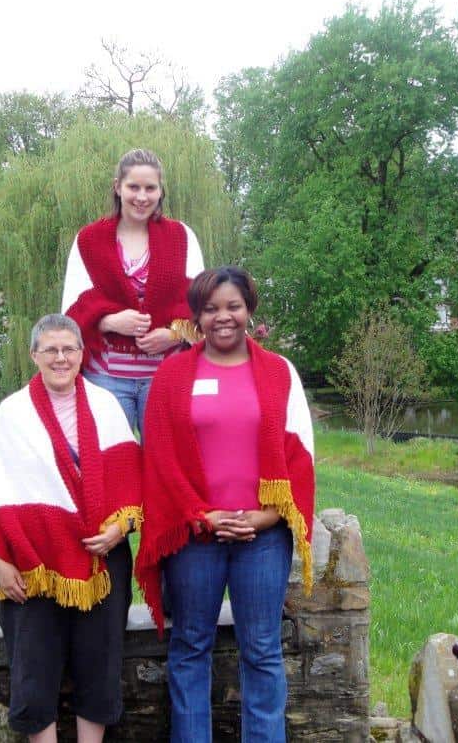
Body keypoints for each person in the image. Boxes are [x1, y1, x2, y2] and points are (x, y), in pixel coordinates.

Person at [134, 266, 316, 743]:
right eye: (211, 308)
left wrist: (267, 515)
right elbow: (160, 457)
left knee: (261, 650)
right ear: (196, 315)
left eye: (233, 306)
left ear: (249, 310)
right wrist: (201, 515)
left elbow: (300, 455)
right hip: (195, 535)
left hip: (262, 537)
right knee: (191, 646)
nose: (223, 317)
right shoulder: (173, 375)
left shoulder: (279, 372)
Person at [0, 313, 142, 743]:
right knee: (34, 665)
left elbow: (132, 481)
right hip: (32, 562)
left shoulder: (106, 407)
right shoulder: (13, 414)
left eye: (69, 348)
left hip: (101, 562)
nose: (60, 357)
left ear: (82, 354)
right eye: (50, 349)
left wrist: (121, 528)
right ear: (34, 355)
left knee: (99, 663)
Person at [61, 148, 204, 434]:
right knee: (113, 464)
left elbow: (205, 308)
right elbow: (69, 312)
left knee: (164, 465)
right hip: (106, 379)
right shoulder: (89, 239)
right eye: (133, 187)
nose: (142, 196)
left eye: (150, 188)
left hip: (166, 376)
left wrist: (174, 334)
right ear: (117, 187)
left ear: (160, 191)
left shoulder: (181, 236)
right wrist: (109, 321)